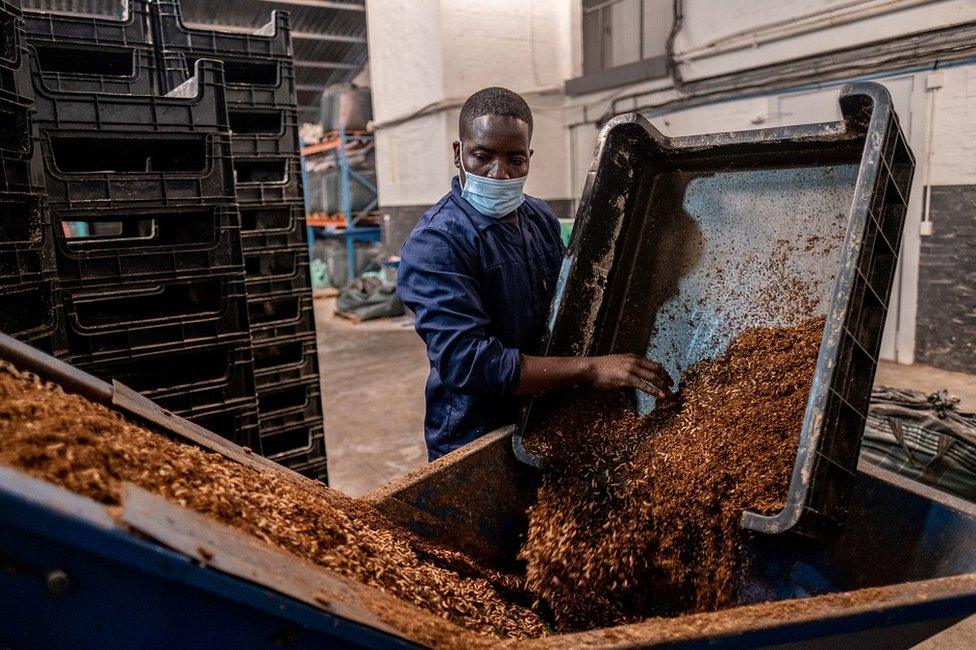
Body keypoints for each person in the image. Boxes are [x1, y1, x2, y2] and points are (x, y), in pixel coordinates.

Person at [397, 87, 673, 461]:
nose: (499, 173)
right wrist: (589, 370)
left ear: (529, 157)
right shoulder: (437, 243)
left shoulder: (538, 217)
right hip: (475, 436)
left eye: (514, 159)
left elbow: (568, 300)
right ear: (458, 154)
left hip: (543, 419)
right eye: (482, 156)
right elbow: (470, 365)